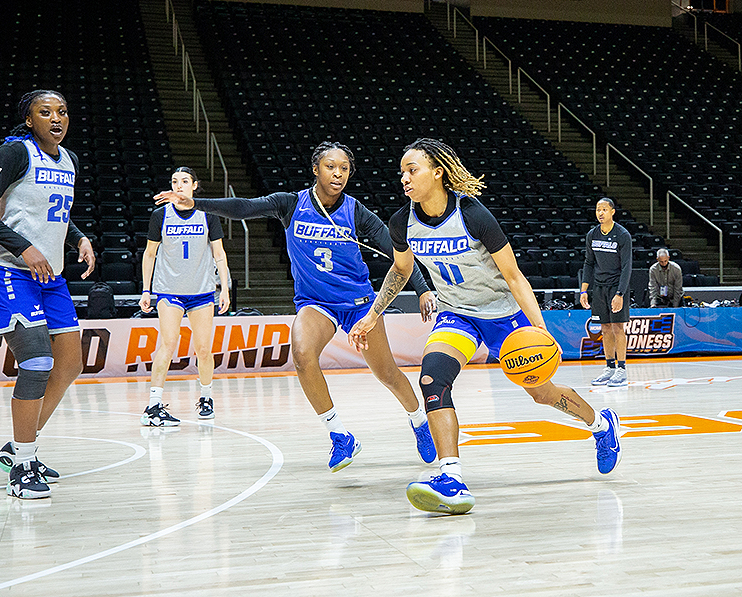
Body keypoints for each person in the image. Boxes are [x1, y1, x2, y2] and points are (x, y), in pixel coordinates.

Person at [348, 138, 621, 515]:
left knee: (541, 394)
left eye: (412, 170)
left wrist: (542, 331)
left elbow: (515, 277)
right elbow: (401, 269)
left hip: (503, 316)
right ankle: (451, 476)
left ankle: (601, 424)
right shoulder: (402, 222)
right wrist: (372, 315)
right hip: (456, 315)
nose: (404, 179)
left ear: (437, 172)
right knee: (432, 378)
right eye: (402, 173)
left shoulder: (473, 214)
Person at [156, 142, 438, 472]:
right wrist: (197, 203)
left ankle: (419, 421)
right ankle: (340, 435)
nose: (338, 174)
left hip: (358, 303)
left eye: (344, 169)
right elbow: (245, 207)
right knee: (302, 355)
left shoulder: (356, 211)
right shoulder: (291, 204)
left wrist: (423, 289)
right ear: (316, 169)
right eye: (331, 167)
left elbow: (398, 253)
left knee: (387, 373)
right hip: (316, 303)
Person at [0, 89, 95, 499]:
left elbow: (55, 212)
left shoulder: (70, 159)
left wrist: (78, 237)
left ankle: (17, 448)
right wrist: (23, 247)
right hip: (7, 270)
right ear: (29, 120)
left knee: (70, 364)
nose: (56, 118)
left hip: (50, 275)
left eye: (62, 111)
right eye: (45, 112)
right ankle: (22, 465)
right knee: (37, 361)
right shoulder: (14, 153)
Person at [139, 167, 231, 425]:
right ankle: (153, 405)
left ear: (194, 185)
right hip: (169, 290)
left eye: (184, 181)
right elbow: (149, 254)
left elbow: (219, 254)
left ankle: (206, 398)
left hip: (202, 292)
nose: (179, 185)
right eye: (174, 181)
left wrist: (224, 288)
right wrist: (146, 289)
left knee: (203, 348)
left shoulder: (207, 214)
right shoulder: (160, 215)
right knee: (168, 344)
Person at [579, 197, 632, 387]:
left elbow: (627, 267)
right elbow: (588, 263)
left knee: (618, 327)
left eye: (604, 209)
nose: (600, 213)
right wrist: (583, 291)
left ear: (612, 212)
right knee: (605, 328)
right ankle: (609, 367)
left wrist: (620, 293)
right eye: (597, 209)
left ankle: (621, 369)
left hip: (616, 287)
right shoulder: (592, 235)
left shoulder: (622, 235)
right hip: (599, 287)